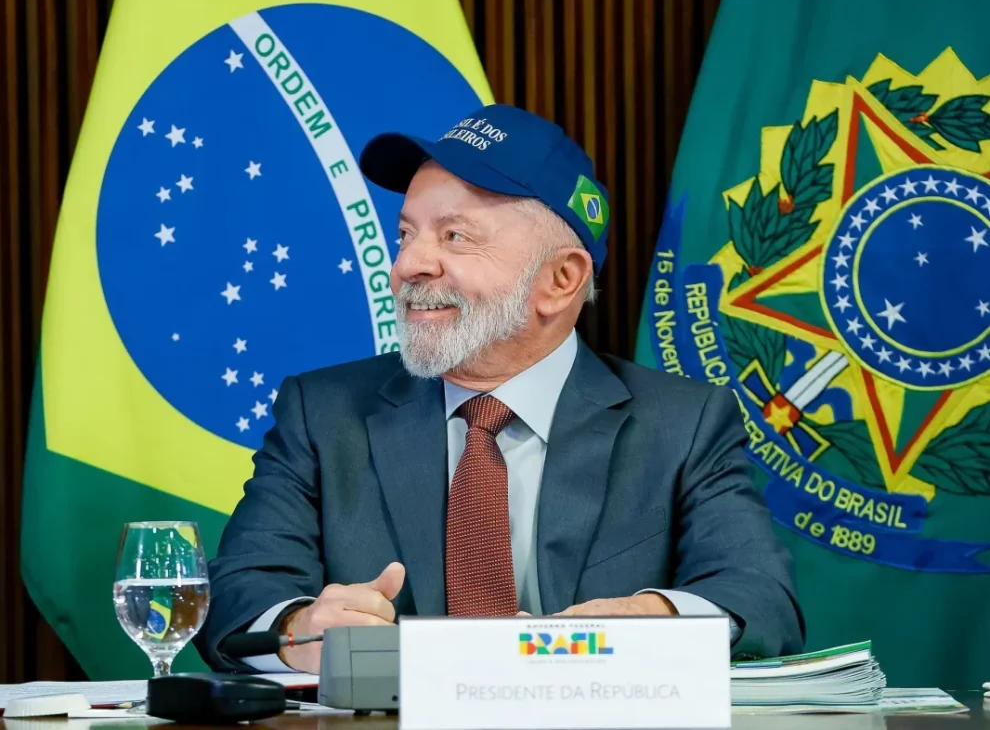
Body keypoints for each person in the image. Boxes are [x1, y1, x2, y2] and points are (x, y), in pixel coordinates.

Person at [194, 103, 805, 674]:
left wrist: (652, 617)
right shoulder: (324, 414)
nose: (406, 266)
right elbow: (239, 593)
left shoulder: (685, 424)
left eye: (454, 237)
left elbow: (761, 599)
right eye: (405, 234)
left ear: (561, 280)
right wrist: (298, 630)